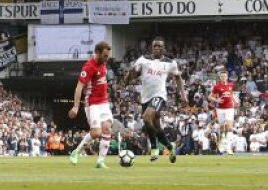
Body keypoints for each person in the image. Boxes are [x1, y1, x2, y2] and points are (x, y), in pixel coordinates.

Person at [124, 37, 184, 163]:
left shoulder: (170, 62)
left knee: (146, 118)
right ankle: (170, 147)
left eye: (159, 46)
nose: (157, 48)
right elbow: (132, 76)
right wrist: (130, 74)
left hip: (159, 95)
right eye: (155, 46)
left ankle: (154, 147)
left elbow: (178, 77)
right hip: (145, 97)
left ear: (164, 48)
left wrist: (183, 95)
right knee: (156, 128)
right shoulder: (143, 59)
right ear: (151, 48)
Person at [68, 41, 113, 169]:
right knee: (97, 132)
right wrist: (76, 106)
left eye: (108, 55)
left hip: (104, 102)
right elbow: (79, 87)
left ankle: (100, 161)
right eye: (104, 55)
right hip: (92, 104)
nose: (107, 58)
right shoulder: (89, 67)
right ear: (97, 53)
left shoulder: (103, 63)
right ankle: (76, 152)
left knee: (107, 129)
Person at [209, 68, 239, 155]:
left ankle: (229, 148)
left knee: (229, 128)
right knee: (222, 129)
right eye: (222, 76)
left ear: (227, 77)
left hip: (230, 108)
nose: (223, 77)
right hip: (220, 109)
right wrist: (216, 100)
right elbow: (210, 96)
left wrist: (235, 101)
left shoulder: (230, 85)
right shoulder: (217, 86)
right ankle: (221, 146)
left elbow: (231, 94)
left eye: (225, 76)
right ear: (220, 77)